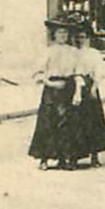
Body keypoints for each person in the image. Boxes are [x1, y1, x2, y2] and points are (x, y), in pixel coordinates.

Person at [28, 19, 86, 170]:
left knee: (70, 123)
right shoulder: (48, 51)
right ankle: (45, 158)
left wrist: (78, 93)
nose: (63, 35)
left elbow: (78, 73)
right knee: (48, 122)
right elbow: (38, 73)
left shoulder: (74, 52)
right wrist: (51, 83)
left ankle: (67, 158)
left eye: (65, 32)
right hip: (52, 89)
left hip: (69, 87)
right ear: (54, 34)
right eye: (60, 32)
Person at [70, 21, 105, 167]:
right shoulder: (73, 53)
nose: (80, 40)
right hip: (74, 85)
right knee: (75, 122)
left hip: (88, 86)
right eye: (78, 37)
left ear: (89, 38)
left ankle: (94, 156)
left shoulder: (94, 53)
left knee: (93, 121)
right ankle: (75, 156)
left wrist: (94, 87)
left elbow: (99, 71)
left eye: (83, 37)